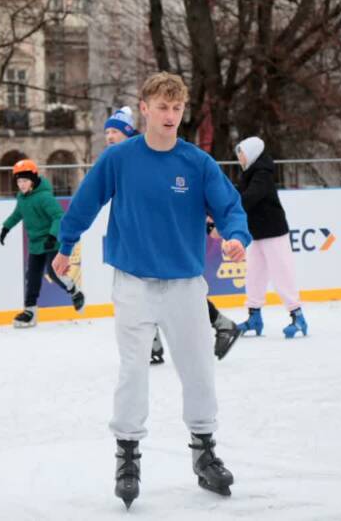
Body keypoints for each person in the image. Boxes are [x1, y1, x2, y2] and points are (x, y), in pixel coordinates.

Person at [53, 73, 250, 509]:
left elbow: (231, 208)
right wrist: (66, 245)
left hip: (185, 284)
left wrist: (236, 235)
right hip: (134, 282)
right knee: (133, 370)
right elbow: (85, 201)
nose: (170, 116)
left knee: (199, 368)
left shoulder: (197, 163)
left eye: (177, 109)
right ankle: (127, 456)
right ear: (144, 108)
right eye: (162, 107)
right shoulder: (119, 159)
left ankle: (204, 452)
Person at [102, 106, 241, 364]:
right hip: (143, 243)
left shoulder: (146, 155)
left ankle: (220, 324)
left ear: (128, 133)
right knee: (146, 290)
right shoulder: (117, 161)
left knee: (175, 293)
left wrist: (210, 222)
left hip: (170, 239)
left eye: (114, 131)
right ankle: (155, 344)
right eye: (106, 132)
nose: (109, 137)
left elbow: (185, 192)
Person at [233, 137, 307, 339]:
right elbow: (241, 195)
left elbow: (249, 198)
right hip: (256, 232)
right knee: (254, 274)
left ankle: (298, 316)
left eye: (241, 153)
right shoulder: (249, 173)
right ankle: (254, 317)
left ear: (251, 153)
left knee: (282, 273)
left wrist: (230, 209)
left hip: (273, 231)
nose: (239, 157)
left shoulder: (262, 174)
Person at [0, 159, 85, 328]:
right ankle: (30, 312)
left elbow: (59, 216)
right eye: (19, 181)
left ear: (33, 180)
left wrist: (52, 237)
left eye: (24, 181)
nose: (21, 185)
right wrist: (6, 228)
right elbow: (18, 214)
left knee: (54, 274)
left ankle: (73, 289)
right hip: (35, 245)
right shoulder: (22, 198)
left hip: (50, 243)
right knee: (31, 277)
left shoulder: (44, 197)